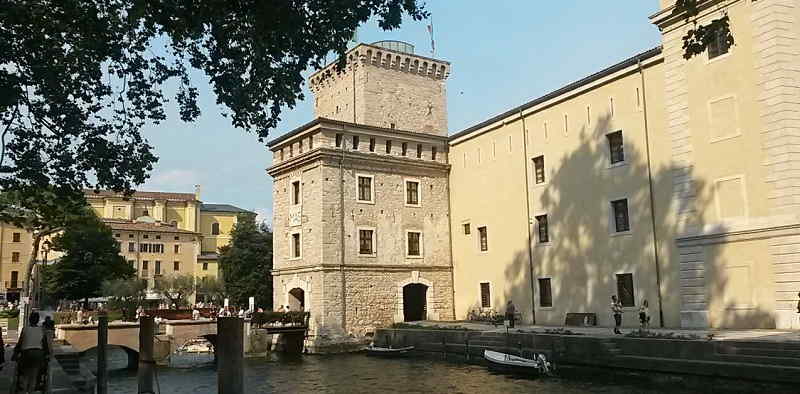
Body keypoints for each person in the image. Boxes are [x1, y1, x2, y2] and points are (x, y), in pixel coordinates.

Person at [14, 311, 51, 394]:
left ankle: (23, 390)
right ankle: (31, 390)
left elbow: (20, 343)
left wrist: (15, 354)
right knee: (34, 375)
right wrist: (47, 355)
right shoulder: (42, 330)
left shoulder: (25, 329)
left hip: (26, 353)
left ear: (29, 320)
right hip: (38, 354)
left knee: (25, 374)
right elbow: (45, 344)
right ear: (38, 320)